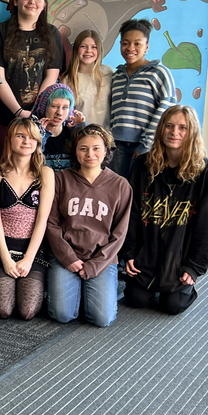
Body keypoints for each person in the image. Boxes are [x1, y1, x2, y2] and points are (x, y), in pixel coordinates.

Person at [122, 106, 208, 315]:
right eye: (169, 126)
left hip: (179, 255)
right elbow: (132, 213)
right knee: (135, 299)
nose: (175, 132)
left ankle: (183, 284)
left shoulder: (205, 171)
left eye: (182, 127)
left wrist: (194, 267)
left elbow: (206, 223)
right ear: (161, 129)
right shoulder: (141, 165)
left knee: (172, 306)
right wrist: (129, 253)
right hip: (147, 251)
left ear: (191, 132)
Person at [46, 124, 132, 327]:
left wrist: (95, 265)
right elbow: (51, 223)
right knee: (62, 314)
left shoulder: (120, 185)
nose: (90, 154)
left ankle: (89, 291)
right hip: (65, 256)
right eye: (83, 148)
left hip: (101, 259)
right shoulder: (60, 179)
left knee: (102, 319)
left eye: (96, 148)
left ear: (105, 150)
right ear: (75, 151)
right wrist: (68, 258)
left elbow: (119, 234)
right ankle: (79, 290)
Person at [0, 0, 66, 153]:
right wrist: (19, 112)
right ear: (16, 0)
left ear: (44, 4)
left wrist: (35, 112)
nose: (32, 1)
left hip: (38, 120)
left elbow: (52, 76)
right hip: (1, 117)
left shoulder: (52, 33)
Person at [0, 118, 55, 320]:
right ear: (10, 140)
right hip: (2, 249)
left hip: (32, 251)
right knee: (4, 310)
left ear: (38, 143)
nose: (27, 141)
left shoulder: (45, 173)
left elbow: (42, 220)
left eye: (32, 137)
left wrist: (29, 258)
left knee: (26, 311)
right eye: (21, 136)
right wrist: (6, 259)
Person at [108, 18, 175, 178]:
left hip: (145, 145)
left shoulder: (158, 73)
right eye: (125, 43)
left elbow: (167, 110)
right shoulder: (116, 76)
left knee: (141, 191)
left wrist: (146, 144)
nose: (130, 48)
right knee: (117, 191)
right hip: (117, 146)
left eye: (137, 44)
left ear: (146, 47)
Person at [62, 30, 112, 129]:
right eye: (83, 46)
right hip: (81, 137)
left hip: (107, 138)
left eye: (94, 47)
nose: (88, 51)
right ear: (76, 49)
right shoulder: (68, 80)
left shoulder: (108, 73)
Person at [34, 84, 78, 172]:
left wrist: (81, 129)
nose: (59, 113)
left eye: (65, 107)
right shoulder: (31, 134)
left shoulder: (72, 134)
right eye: (54, 106)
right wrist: (42, 136)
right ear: (44, 107)